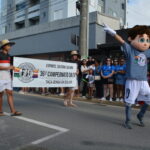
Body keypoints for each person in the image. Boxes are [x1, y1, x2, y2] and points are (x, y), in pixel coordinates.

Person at [104, 24, 150, 129]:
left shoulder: (147, 52)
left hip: (143, 80)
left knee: (149, 98)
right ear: (131, 39)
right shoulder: (130, 50)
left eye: (147, 41)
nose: (145, 43)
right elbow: (121, 41)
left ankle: (140, 115)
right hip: (132, 81)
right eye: (142, 40)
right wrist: (112, 33)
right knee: (129, 102)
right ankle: (128, 120)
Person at [0, 39, 22, 116]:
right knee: (0, 94)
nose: (10, 47)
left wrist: (11, 74)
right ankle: (0, 111)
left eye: (10, 46)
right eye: (8, 45)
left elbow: (9, 67)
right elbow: (6, 67)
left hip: (8, 78)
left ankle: (13, 111)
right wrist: (8, 68)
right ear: (4, 46)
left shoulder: (9, 56)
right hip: (1, 78)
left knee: (10, 94)